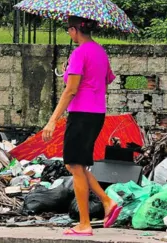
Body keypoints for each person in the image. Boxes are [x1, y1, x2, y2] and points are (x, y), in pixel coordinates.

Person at [42, 16, 122, 237]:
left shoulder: (80, 53)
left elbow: (71, 90)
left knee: (74, 165)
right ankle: (107, 202)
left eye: (69, 29)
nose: (69, 33)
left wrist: (52, 120)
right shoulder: (99, 52)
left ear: (76, 30)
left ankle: (85, 224)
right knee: (77, 166)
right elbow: (104, 80)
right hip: (97, 113)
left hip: (81, 114)